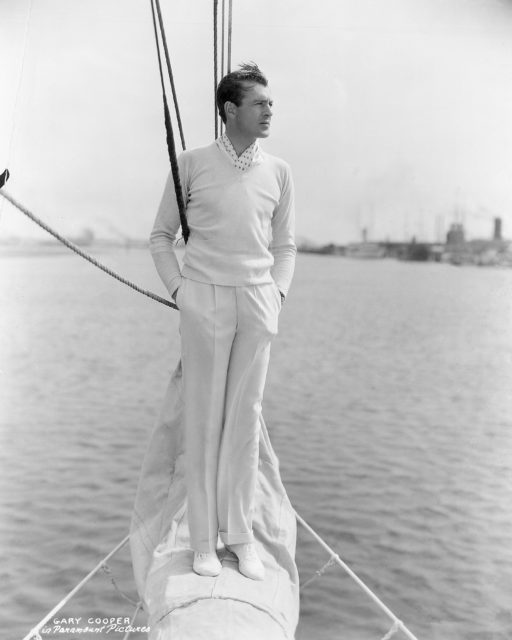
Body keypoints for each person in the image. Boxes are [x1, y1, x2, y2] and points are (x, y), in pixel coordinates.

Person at [149, 62, 296, 581]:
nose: (269, 111)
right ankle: (203, 543)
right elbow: (161, 237)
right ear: (230, 110)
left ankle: (241, 537)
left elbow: (286, 246)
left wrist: (277, 293)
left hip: (258, 302)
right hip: (203, 300)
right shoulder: (190, 165)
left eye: (271, 103)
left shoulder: (279, 172)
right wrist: (181, 291)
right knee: (204, 421)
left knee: (244, 423)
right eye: (260, 103)